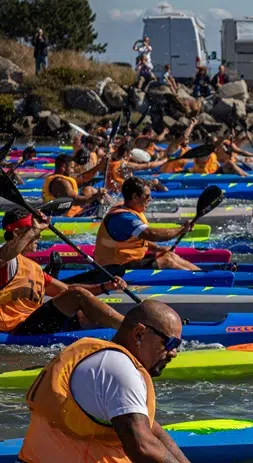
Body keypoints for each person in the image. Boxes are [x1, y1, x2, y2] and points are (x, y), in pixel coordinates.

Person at [16, 300, 189, 463]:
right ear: (139, 334)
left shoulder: (103, 358)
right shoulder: (120, 369)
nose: (173, 353)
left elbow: (152, 429)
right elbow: (142, 447)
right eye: (170, 343)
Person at [0, 208, 126, 335]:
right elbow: (3, 257)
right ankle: (130, 328)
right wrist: (33, 230)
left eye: (37, 230)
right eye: (33, 229)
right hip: (14, 328)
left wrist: (105, 287)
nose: (39, 235)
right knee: (77, 294)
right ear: (16, 233)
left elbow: (66, 289)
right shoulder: (7, 262)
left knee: (83, 315)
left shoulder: (34, 267)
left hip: (35, 323)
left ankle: (125, 333)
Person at [94, 177, 200, 270]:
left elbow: (137, 240)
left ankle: (201, 275)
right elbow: (151, 234)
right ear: (135, 197)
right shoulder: (122, 218)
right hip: (112, 269)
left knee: (170, 255)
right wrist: (181, 229)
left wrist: (157, 248)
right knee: (167, 261)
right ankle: (198, 282)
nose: (150, 199)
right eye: (147, 196)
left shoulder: (130, 210)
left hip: (127, 262)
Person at [42, 155, 108, 217]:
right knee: (98, 200)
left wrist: (99, 166)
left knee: (89, 189)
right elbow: (75, 200)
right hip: (67, 216)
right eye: (71, 168)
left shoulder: (62, 178)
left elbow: (84, 177)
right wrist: (95, 196)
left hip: (69, 211)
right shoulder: (61, 183)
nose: (73, 171)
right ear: (63, 167)